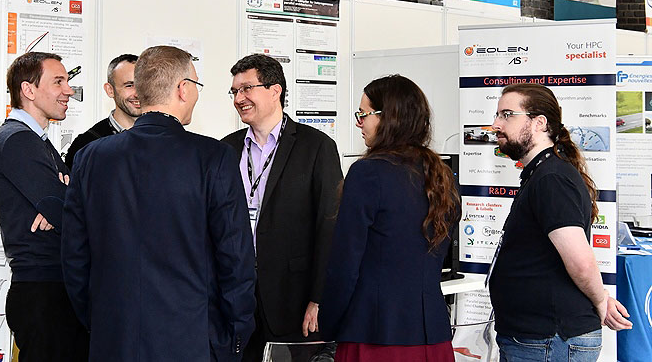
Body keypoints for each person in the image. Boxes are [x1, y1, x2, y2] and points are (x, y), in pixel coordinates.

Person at [62, 45, 256, 361]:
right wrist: (233, 336)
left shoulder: (91, 157)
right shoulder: (213, 157)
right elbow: (235, 256)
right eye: (196, 84)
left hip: (113, 337)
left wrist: (100, 320)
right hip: (190, 339)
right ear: (183, 89)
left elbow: (75, 257)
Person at [319, 75, 460, 362]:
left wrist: (329, 324)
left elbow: (345, 264)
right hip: (432, 336)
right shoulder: (441, 175)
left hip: (375, 336)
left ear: (388, 117)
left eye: (363, 114)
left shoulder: (367, 173)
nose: (359, 122)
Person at [488, 83, 632, 361]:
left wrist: (600, 300)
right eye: (497, 115)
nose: (496, 124)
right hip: (537, 339)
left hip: (549, 340)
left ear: (539, 123)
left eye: (507, 115)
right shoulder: (541, 174)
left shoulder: (551, 179)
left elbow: (580, 261)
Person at [221, 53, 342, 362]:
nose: (239, 98)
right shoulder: (226, 148)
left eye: (246, 88)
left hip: (293, 300)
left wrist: (319, 298)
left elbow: (329, 226)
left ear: (275, 90)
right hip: (235, 299)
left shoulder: (316, 147)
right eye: (234, 91)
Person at [0, 51, 88, 362]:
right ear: (28, 90)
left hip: (53, 288)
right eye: (58, 81)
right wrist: (64, 199)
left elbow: (65, 203)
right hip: (43, 293)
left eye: (67, 81)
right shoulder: (18, 140)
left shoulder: (35, 140)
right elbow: (66, 210)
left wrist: (66, 195)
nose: (68, 90)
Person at [64, 53, 139, 168]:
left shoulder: (162, 138)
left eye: (143, 85)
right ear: (110, 90)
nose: (138, 93)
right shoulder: (86, 145)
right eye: (129, 85)